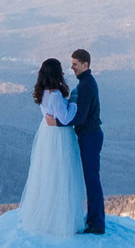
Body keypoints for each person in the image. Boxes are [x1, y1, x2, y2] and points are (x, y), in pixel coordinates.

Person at [15, 57, 85, 236]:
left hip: (47, 135)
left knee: (49, 174)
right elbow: (66, 118)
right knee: (62, 173)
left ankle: (48, 215)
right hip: (59, 137)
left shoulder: (44, 93)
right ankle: (62, 219)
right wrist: (74, 101)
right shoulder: (55, 95)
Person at [65, 48, 105, 234]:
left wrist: (58, 121)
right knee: (91, 178)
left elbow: (80, 117)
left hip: (90, 136)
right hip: (89, 135)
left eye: (75, 64)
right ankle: (94, 219)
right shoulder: (86, 83)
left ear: (85, 64)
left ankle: (97, 223)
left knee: (92, 179)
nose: (72, 67)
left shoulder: (86, 86)